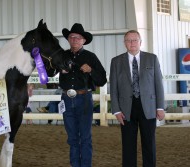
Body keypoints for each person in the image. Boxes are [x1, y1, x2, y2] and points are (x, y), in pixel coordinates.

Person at [109, 30, 165, 167]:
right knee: (128, 145)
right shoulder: (116, 61)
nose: (132, 43)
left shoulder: (152, 58)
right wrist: (116, 110)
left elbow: (158, 84)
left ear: (140, 42)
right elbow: (113, 87)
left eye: (135, 40)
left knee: (149, 144)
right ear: (124, 43)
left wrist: (160, 107)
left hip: (149, 107)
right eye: (128, 40)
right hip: (126, 109)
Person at [59, 23, 107, 167]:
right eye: (72, 37)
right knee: (72, 138)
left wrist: (91, 70)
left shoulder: (90, 57)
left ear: (83, 41)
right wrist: (59, 69)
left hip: (84, 99)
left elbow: (103, 79)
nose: (74, 40)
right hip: (66, 99)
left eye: (78, 37)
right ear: (68, 39)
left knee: (85, 137)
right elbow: (48, 73)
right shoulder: (62, 56)